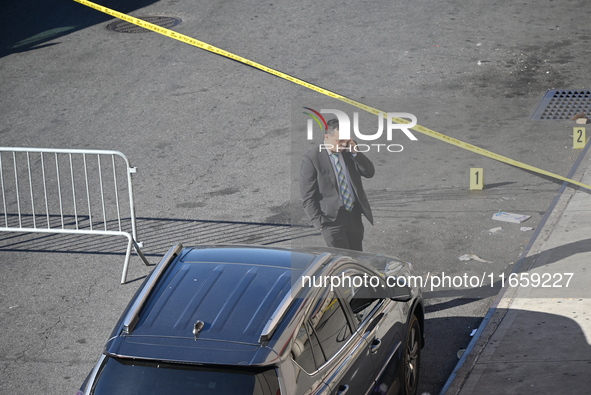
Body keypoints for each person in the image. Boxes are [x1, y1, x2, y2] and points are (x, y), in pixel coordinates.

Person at [299, 118, 375, 251]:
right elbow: (307, 197)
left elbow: (369, 173)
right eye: (339, 141)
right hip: (331, 220)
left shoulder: (348, 150)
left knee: (357, 255)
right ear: (327, 137)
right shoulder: (312, 159)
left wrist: (355, 153)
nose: (343, 144)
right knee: (342, 258)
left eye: (346, 140)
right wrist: (320, 224)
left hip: (353, 214)